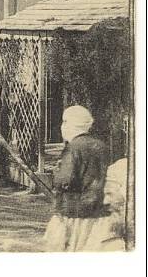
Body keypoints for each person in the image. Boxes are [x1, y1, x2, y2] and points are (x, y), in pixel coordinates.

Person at [44, 105, 111, 252]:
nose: (62, 127)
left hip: (73, 210)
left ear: (69, 124)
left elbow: (65, 180)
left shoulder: (73, 148)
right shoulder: (101, 146)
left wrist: (57, 174)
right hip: (97, 210)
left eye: (64, 122)